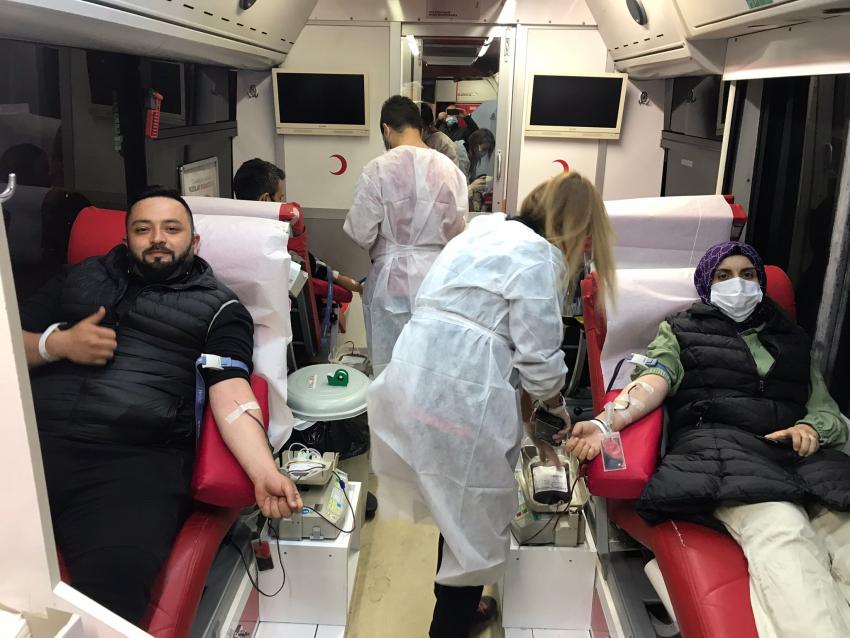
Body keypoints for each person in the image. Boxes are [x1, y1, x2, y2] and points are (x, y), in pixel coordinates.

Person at [20, 187, 302, 623]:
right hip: (29, 442)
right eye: (143, 229)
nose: (157, 238)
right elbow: (8, 341)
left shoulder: (220, 308)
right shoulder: (78, 279)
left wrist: (265, 472)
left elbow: (230, 391)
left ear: (195, 241)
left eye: (172, 229)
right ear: (125, 239)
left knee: (114, 584)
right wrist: (56, 344)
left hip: (132, 461)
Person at [367, 171, 616, 637]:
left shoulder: (483, 231)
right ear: (576, 228)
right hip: (462, 394)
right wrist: (558, 413)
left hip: (413, 376)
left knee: (457, 516)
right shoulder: (539, 258)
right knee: (475, 525)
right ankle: (449, 627)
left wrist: (535, 411)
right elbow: (540, 363)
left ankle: (457, 607)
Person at [566, 241, 850, 638]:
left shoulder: (794, 339)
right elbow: (652, 381)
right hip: (725, 453)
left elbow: (826, 410)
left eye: (748, 275)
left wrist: (812, 429)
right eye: (724, 276)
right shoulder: (681, 330)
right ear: (706, 285)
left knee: (844, 534)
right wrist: (604, 423)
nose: (738, 284)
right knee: (786, 534)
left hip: (799, 456)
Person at [343, 95, 468, 376]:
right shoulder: (451, 170)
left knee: (392, 370)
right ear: (420, 128)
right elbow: (460, 232)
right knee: (433, 369)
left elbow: (361, 231)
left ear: (386, 129)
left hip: (392, 284)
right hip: (438, 281)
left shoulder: (378, 169)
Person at [233, 158, 362, 295]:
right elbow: (307, 270)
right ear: (265, 199)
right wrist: (354, 285)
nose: (283, 204)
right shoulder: (276, 245)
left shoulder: (228, 236)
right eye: (280, 198)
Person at [420, 102, 459, 167]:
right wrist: (439, 120)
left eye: (453, 113)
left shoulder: (444, 144)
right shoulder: (441, 127)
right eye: (449, 113)